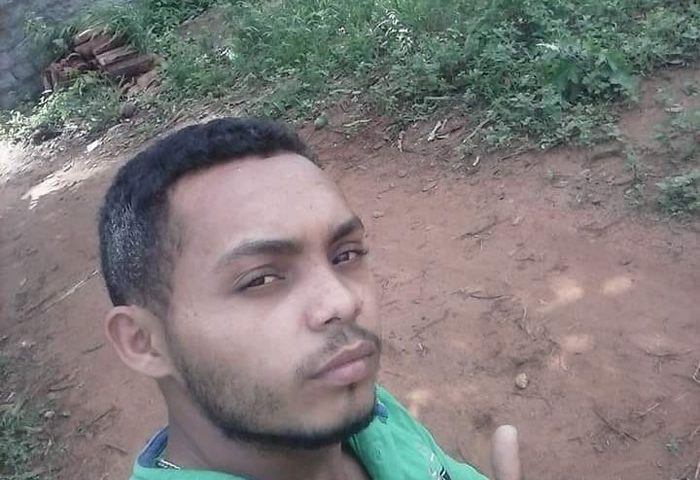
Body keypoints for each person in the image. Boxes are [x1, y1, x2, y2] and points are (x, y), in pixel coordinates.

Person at [99, 117, 521, 480]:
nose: (342, 302)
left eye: (345, 255)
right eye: (261, 279)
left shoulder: (360, 407)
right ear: (144, 342)